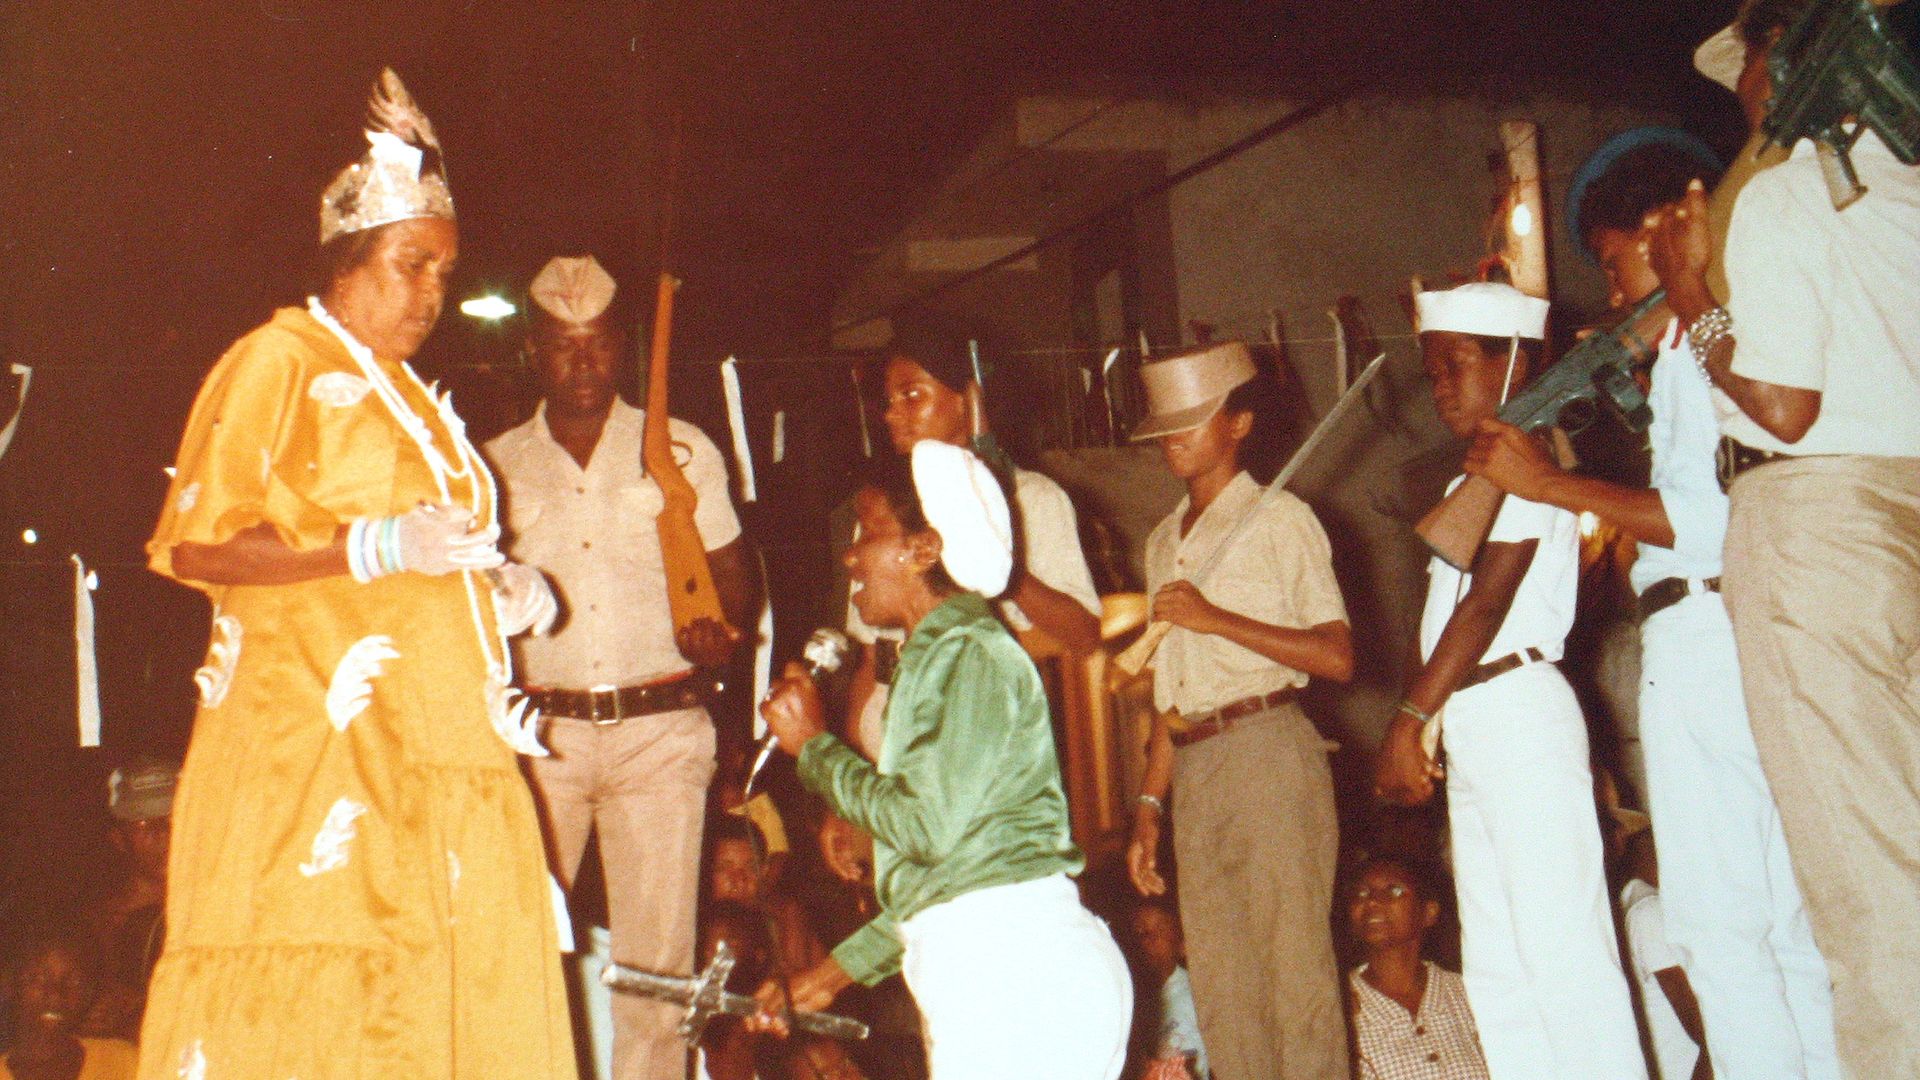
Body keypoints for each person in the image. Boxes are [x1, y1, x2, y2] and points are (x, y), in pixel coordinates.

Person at [139, 70, 576, 1078]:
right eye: (409, 264)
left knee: (444, 998)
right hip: (319, 743)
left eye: (443, 272)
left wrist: (501, 587)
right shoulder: (276, 360)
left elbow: (434, 545)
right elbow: (199, 541)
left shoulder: (415, 394)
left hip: (443, 744)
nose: (431, 293)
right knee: (336, 994)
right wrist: (369, 549)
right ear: (347, 260)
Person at [1466, 126, 1838, 1080]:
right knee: (1789, 922)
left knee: (1721, 930)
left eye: (1611, 257)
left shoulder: (1701, 333)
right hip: (1737, 626)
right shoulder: (1697, 340)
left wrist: (1550, 487)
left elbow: (1705, 520)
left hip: (1706, 632)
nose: (1613, 283)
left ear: (1664, 229)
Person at [1642, 7, 1920, 1074]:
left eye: (1751, 64)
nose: (1743, 91)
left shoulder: (1790, 192)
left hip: (1815, 533)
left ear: (1792, 64)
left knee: (1865, 882)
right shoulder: (1902, 191)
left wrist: (1690, 297)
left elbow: (1781, 402)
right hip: (1899, 519)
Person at [755, 444, 1130, 1079]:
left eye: (867, 530)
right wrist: (822, 980)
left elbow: (928, 834)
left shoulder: (968, 654)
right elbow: (952, 878)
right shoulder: (941, 656)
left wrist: (817, 749)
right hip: (998, 966)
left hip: (1014, 976)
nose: (850, 555)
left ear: (925, 550)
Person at [485, 253, 761, 1080]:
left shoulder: (680, 448)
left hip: (658, 733)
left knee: (656, 979)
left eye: (598, 343)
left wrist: (724, 627)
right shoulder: (490, 465)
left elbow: (734, 579)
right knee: (515, 955)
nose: (582, 363)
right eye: (564, 345)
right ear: (534, 349)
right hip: (541, 743)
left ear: (624, 348)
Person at [1374, 281, 1646, 1080]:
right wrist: (1432, 720)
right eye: (1433, 371)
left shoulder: (1534, 457)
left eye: (1461, 362)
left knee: (1568, 964)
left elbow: (1488, 605)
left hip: (1520, 709)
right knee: (1501, 977)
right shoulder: (1476, 477)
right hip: (1472, 722)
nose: (1444, 384)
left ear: (1518, 363)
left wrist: (1406, 717)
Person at [1124, 341, 1354, 1080]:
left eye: (1192, 421)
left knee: (1296, 977)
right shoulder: (1163, 540)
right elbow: (1171, 692)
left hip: (1268, 749)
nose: (1173, 439)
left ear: (1241, 422)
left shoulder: (1281, 518)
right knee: (1224, 992)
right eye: (1164, 426)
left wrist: (1215, 618)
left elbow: (1337, 656)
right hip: (1194, 767)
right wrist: (1150, 804)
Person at [841, 322, 1101, 758]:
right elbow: (872, 656)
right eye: (888, 401)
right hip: (891, 717)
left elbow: (1084, 635)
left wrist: (996, 562)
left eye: (911, 395)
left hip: (978, 730)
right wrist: (852, 767)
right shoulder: (883, 511)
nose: (890, 414)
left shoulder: (1033, 499)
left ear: (968, 401)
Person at [1344, 857, 1489, 1080]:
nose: (1372, 901)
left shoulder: (1469, 995)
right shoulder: (1339, 1004)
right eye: (1361, 894)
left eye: (1394, 891)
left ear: (1428, 912)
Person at [81, 759, 176, 1040]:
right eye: (144, 823)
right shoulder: (95, 928)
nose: (162, 834)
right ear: (118, 838)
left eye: (172, 818)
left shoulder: (218, 910)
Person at [3, 934, 138, 1080]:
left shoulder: (122, 1062)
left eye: (74, 982)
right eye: (39, 978)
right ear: (10, 984)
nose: (56, 994)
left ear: (88, 993)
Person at [1120, 899, 1208, 1080]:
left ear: (1183, 946)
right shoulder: (1132, 1000)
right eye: (1140, 931)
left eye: (1160, 930)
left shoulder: (1196, 995)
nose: (1148, 939)